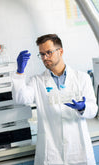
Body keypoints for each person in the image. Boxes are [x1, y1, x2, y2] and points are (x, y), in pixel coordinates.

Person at [12, 34, 98, 165]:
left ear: (61, 51)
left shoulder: (82, 78)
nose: (45, 58)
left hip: (78, 151)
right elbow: (20, 98)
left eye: (49, 52)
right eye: (41, 54)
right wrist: (19, 72)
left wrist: (83, 107)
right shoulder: (37, 81)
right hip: (51, 153)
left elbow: (93, 110)